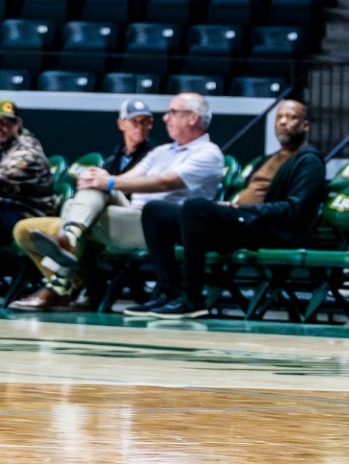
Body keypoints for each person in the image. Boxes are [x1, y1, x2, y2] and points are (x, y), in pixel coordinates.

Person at [132, 99, 328, 319]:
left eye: (291, 117)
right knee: (155, 211)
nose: (283, 122)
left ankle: (192, 298)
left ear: (305, 126)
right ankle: (167, 292)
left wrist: (244, 210)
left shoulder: (309, 161)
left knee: (195, 206)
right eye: (279, 117)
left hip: (271, 230)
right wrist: (232, 208)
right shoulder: (267, 159)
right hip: (244, 224)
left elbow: (294, 210)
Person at [35, 94, 227, 315]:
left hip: (164, 227)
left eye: (173, 112)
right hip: (133, 215)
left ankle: (62, 273)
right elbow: (126, 180)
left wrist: (108, 181)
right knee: (89, 192)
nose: (166, 118)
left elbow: (165, 182)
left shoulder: (208, 153)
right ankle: (70, 237)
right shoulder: (162, 151)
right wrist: (98, 179)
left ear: (193, 118)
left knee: (73, 208)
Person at [9, 99, 157, 312]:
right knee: (24, 230)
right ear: (121, 123)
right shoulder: (114, 158)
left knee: (92, 192)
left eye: (145, 122)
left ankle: (61, 280)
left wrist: (105, 182)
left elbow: (149, 187)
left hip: (130, 220)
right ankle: (73, 280)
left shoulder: (155, 155)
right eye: (134, 121)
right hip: (96, 219)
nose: (140, 127)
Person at [0, 100, 56, 248]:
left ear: (17, 124)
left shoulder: (27, 152)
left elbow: (3, 179)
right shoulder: (5, 146)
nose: (1, 127)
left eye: (5, 122)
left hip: (30, 215)